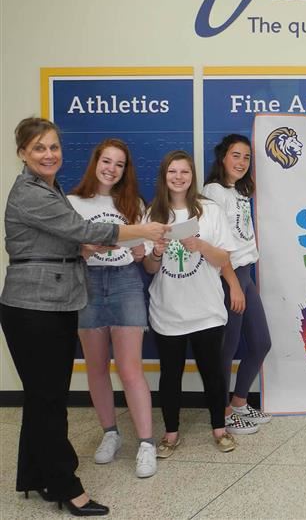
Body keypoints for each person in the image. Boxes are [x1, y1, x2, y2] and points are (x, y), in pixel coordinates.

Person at [1, 117, 168, 516]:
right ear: (22, 152)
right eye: (39, 148)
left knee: (44, 397)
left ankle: (34, 476)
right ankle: (66, 487)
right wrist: (145, 231)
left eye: (54, 147)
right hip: (35, 304)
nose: (49, 154)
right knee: (49, 400)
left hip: (54, 299)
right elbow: (83, 228)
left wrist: (86, 250)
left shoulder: (48, 188)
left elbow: (69, 241)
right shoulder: (31, 192)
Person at [67, 139, 157, 478]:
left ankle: (146, 442)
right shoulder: (72, 202)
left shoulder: (133, 203)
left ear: (125, 170)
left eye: (119, 164)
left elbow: (146, 257)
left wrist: (142, 253)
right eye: (107, 161)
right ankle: (110, 434)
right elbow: (63, 246)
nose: (112, 169)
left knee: (130, 368)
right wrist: (81, 250)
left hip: (124, 283)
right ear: (95, 162)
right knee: (96, 367)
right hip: (87, 283)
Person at [142, 150, 238, 456]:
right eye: (173, 172)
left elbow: (224, 258)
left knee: (213, 373)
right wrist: (155, 252)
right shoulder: (152, 214)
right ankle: (170, 435)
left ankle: (220, 430)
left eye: (184, 172)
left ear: (192, 176)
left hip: (206, 310)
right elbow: (149, 268)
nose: (179, 177)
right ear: (164, 176)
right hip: (167, 310)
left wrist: (200, 245)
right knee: (170, 375)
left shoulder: (209, 211)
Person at [203, 134, 272, 435]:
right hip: (227, 276)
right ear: (222, 158)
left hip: (246, 273)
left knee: (260, 343)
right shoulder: (213, 191)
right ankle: (224, 412)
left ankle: (240, 401)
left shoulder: (239, 191)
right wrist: (232, 283)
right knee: (226, 348)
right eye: (236, 155)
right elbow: (216, 242)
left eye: (246, 157)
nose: (241, 162)